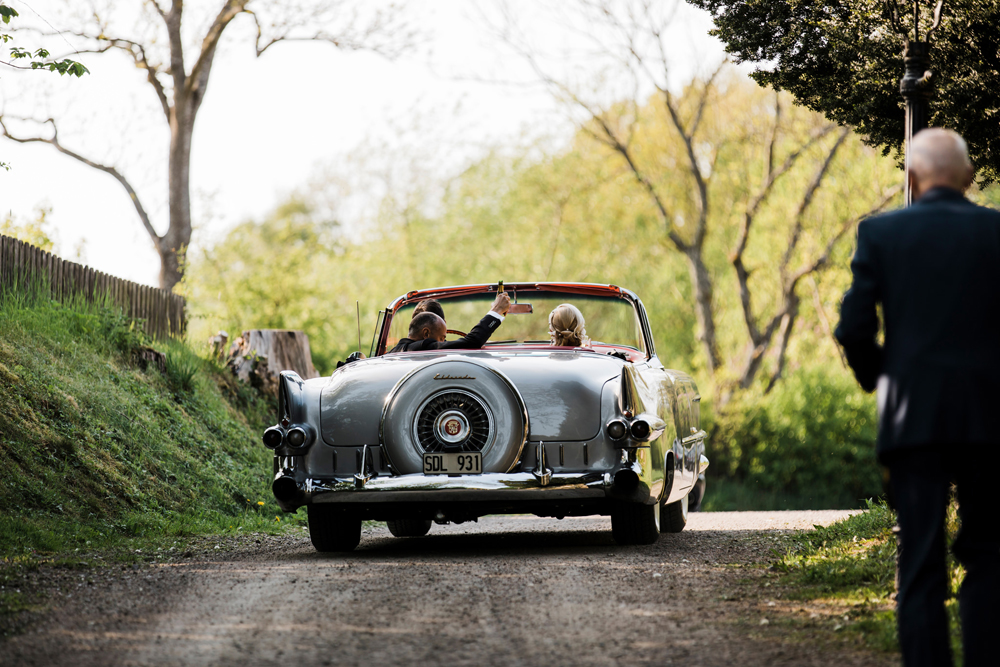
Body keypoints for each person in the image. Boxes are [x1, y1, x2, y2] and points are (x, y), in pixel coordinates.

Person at [835, 128, 1000, 667]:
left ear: (911, 177)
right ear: (970, 177)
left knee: (921, 563)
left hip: (914, 422)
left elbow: (854, 328)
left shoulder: (882, 234)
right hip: (989, 421)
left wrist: (886, 380)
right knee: (990, 562)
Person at [389, 292, 510, 353]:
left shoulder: (392, 352)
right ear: (425, 334)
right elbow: (472, 342)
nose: (443, 343)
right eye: (442, 338)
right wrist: (496, 310)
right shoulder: (423, 347)